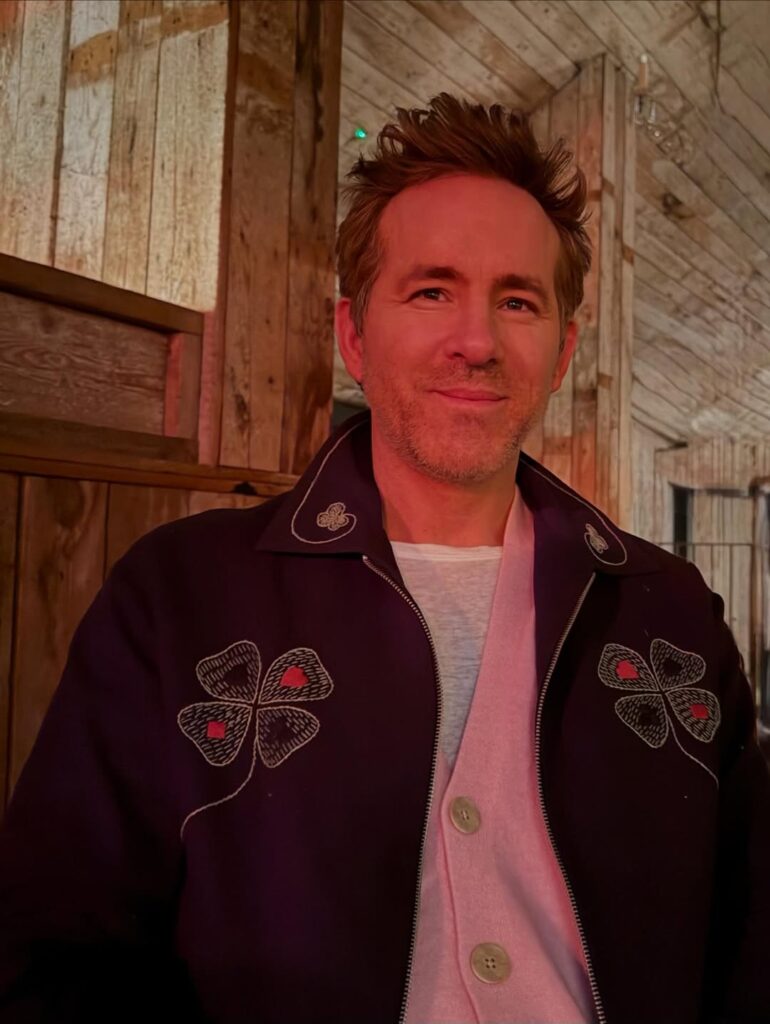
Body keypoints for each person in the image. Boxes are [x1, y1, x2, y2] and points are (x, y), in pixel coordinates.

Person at [0, 92, 768, 1024]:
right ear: (354, 335)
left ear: (563, 351)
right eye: (431, 290)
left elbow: (753, 942)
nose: (476, 342)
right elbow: (57, 952)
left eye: (517, 301)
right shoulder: (180, 594)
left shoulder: (670, 608)